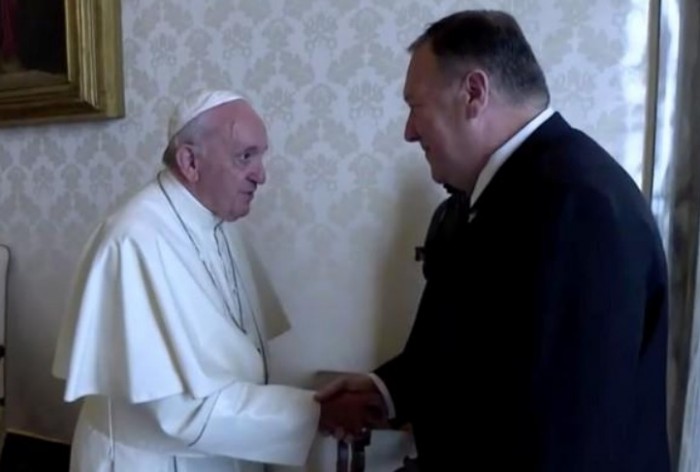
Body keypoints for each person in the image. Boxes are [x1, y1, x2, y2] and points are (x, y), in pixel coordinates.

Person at [316, 9, 670, 472]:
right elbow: (482, 347)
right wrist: (386, 391)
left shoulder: (576, 205)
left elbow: (560, 436)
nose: (408, 131)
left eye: (415, 105)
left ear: (474, 93)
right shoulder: (512, 190)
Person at [52, 89, 321, 472]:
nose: (261, 174)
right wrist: (316, 412)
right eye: (245, 157)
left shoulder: (219, 222)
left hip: (221, 451)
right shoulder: (134, 241)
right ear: (190, 161)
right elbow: (178, 412)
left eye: (261, 156)